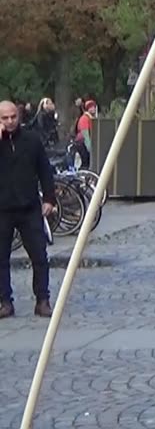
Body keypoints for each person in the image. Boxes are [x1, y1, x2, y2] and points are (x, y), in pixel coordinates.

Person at [0, 100, 57, 319]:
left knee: (39, 256)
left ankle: (42, 300)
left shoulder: (31, 140)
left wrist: (49, 199)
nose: (10, 121)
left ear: (19, 116)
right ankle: (5, 301)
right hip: (3, 208)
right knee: (1, 258)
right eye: (5, 118)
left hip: (29, 206)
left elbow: (45, 169)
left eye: (13, 116)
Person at [73, 100, 97, 169]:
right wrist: (89, 148)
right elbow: (85, 134)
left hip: (85, 142)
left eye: (94, 107)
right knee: (85, 162)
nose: (93, 108)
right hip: (82, 142)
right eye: (90, 107)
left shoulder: (91, 118)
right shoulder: (84, 118)